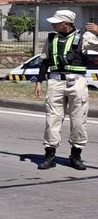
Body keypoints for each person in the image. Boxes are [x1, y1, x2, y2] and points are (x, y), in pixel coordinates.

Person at [33, 9, 98, 170]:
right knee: (52, 119)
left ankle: (75, 156)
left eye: (56, 22)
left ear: (66, 23)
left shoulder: (85, 36)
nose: (53, 24)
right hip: (55, 82)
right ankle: (50, 155)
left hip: (77, 82)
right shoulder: (51, 38)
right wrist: (39, 82)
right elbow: (44, 61)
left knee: (78, 120)